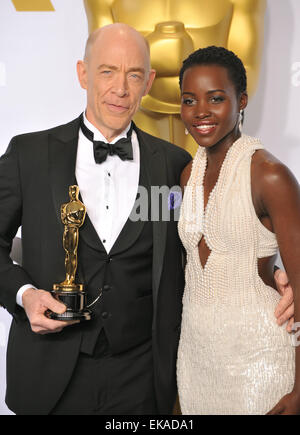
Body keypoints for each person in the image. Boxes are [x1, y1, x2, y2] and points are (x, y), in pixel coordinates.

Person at [0, 24, 293, 415]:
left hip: (142, 381)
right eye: (107, 71)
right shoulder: (28, 155)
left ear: (149, 82)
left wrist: (269, 271)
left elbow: (205, 243)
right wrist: (24, 296)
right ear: (83, 73)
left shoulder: (177, 167)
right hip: (48, 375)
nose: (121, 88)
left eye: (134, 74)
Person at [177, 46, 300, 415]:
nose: (200, 112)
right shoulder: (186, 175)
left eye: (216, 99)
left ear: (241, 100)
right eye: (189, 100)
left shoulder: (269, 174)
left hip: (260, 359)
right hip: (196, 361)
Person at [84, 0, 266, 154]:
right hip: (137, 117)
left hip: (209, 121)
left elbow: (245, 74)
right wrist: (161, 54)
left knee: (205, 188)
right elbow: (101, 69)